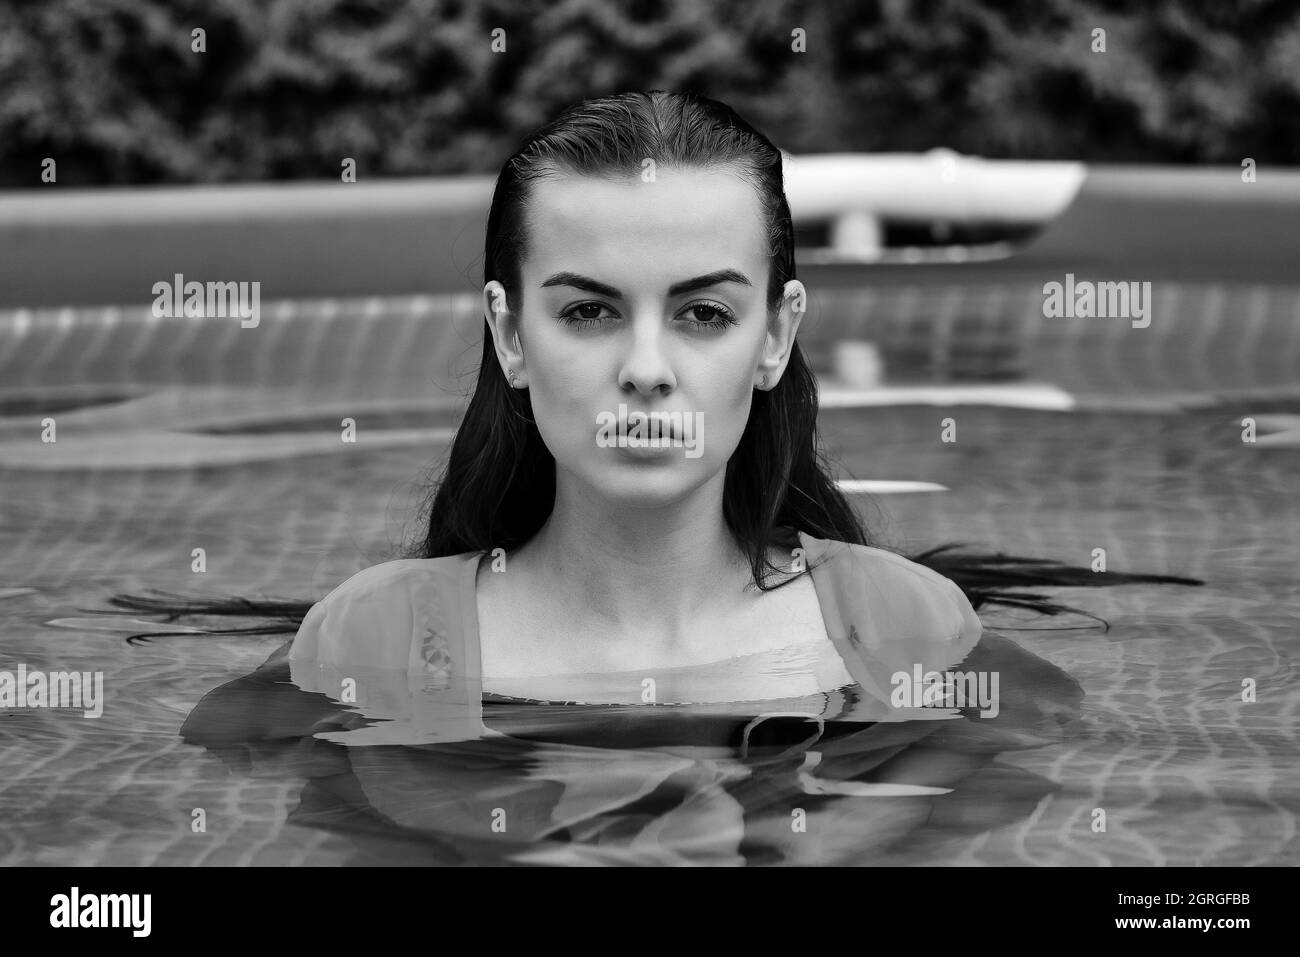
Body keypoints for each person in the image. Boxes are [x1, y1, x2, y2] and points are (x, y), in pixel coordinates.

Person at [120, 89, 1195, 724]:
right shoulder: (373, 643)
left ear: (775, 336)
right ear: (507, 336)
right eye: (588, 312)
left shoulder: (899, 626)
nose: (645, 368)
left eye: (702, 315)